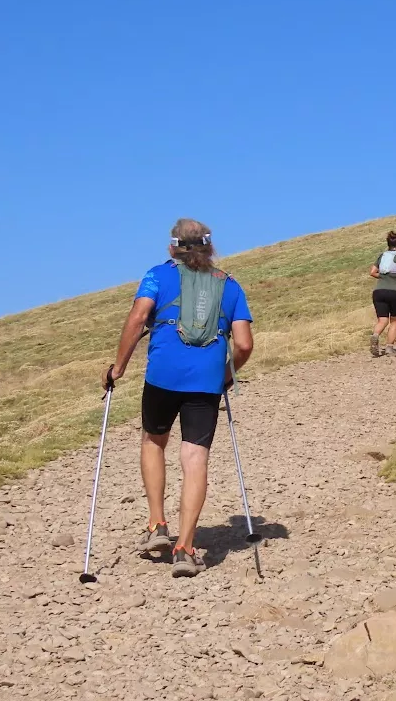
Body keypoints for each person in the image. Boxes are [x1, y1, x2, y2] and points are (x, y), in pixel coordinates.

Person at [105, 218, 254, 578]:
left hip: (162, 376)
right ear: (209, 247)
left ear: (173, 246)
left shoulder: (158, 275)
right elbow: (245, 344)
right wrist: (225, 377)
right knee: (195, 457)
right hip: (205, 382)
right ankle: (185, 549)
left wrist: (118, 368)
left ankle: (157, 524)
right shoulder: (230, 286)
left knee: (154, 441)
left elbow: (139, 317)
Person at [370, 231, 396, 357]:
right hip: (395, 291)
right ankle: (389, 348)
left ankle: (375, 335)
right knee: (395, 321)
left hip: (379, 291)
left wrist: (383, 277)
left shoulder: (382, 256)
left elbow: (372, 272)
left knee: (382, 320)